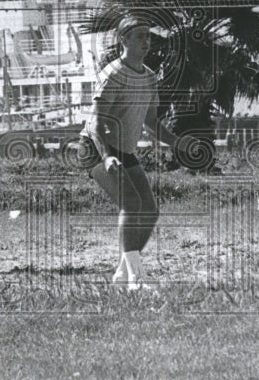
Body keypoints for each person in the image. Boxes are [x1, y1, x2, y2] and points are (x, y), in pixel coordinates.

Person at [78, 15, 190, 290]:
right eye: (140, 36)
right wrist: (106, 156)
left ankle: (123, 273)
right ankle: (136, 278)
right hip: (95, 147)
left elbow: (152, 123)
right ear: (123, 39)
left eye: (148, 36)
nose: (146, 41)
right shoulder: (113, 73)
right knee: (131, 203)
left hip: (122, 149)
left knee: (150, 211)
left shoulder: (150, 77)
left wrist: (177, 143)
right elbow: (98, 120)